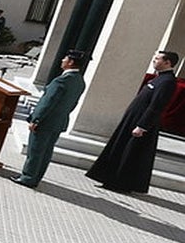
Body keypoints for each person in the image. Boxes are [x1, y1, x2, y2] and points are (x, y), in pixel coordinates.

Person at [86, 50, 179, 194]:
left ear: (167, 62)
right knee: (120, 148)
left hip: (140, 124)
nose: (154, 60)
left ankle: (120, 184)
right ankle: (109, 179)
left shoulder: (167, 81)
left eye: (157, 59)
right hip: (132, 120)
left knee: (129, 153)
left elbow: (156, 106)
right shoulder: (158, 78)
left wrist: (142, 126)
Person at [12, 50, 88, 188]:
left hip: (46, 121)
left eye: (65, 58)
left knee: (35, 150)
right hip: (59, 121)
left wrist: (36, 119)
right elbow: (73, 104)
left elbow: (47, 102)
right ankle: (36, 177)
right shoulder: (79, 81)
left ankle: (27, 177)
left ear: (71, 62)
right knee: (46, 151)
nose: (62, 60)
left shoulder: (61, 81)